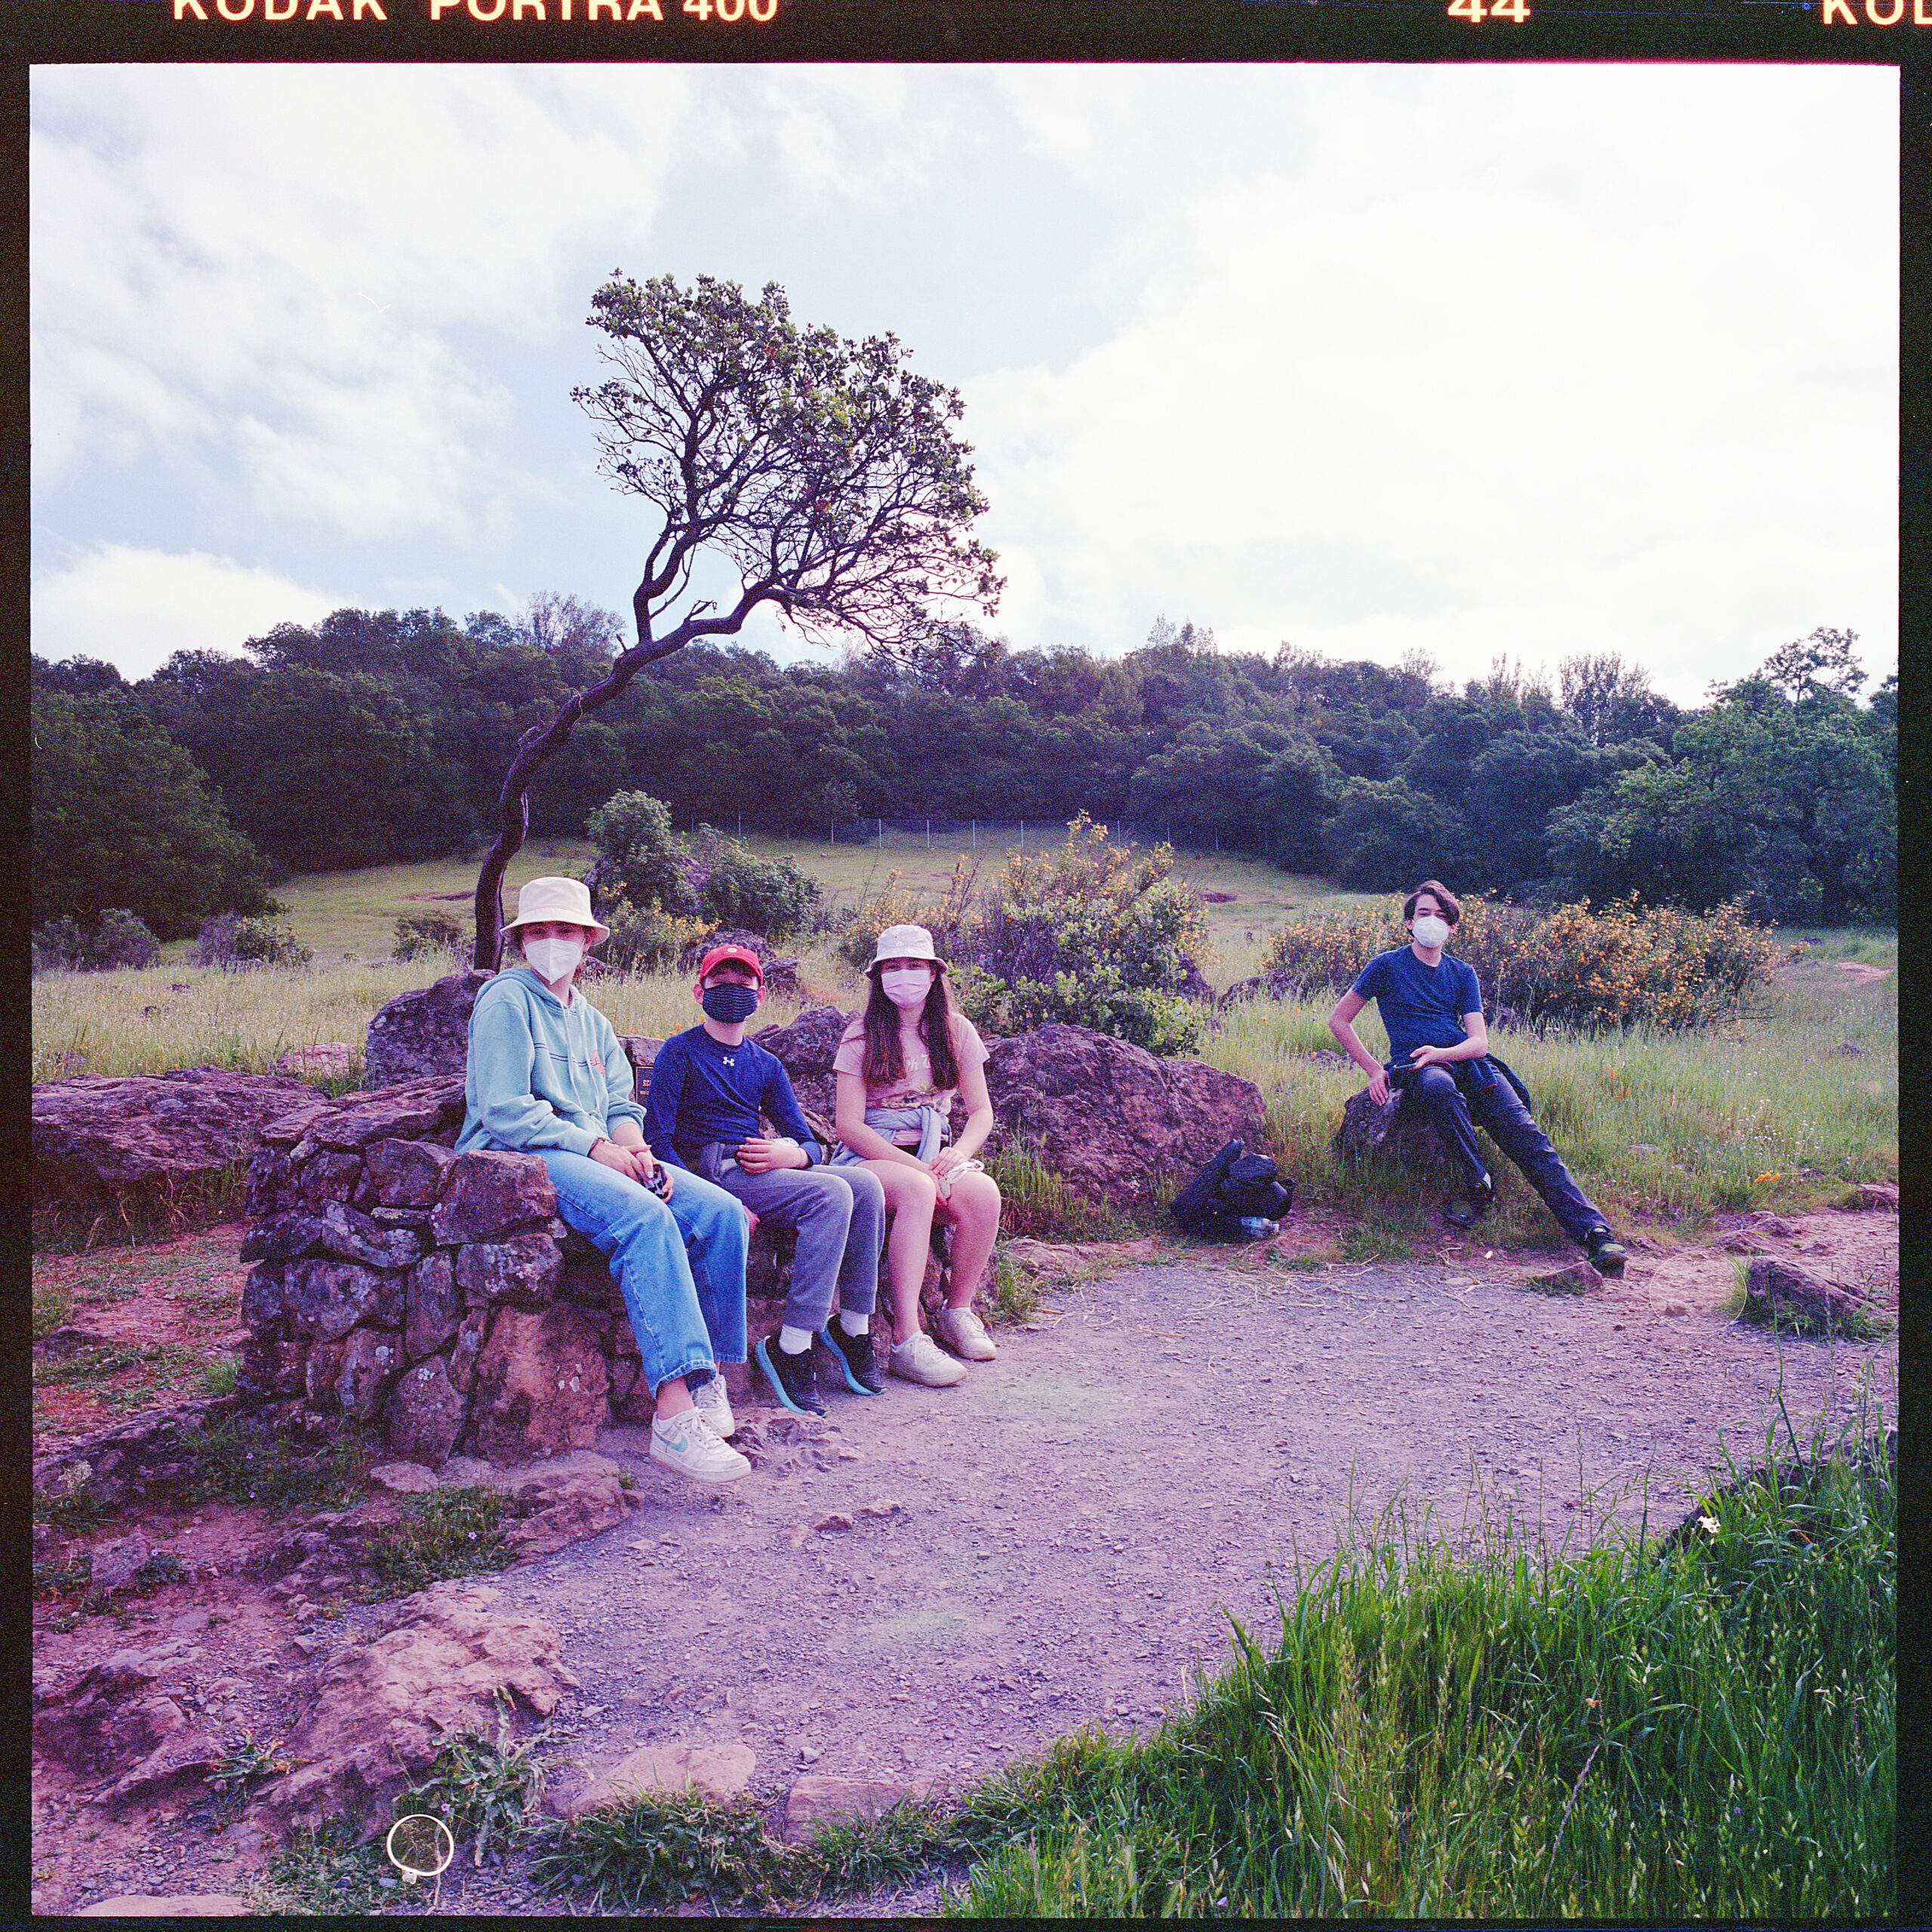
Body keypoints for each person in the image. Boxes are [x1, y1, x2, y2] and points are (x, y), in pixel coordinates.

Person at [457, 875, 754, 1484]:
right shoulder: (505, 999)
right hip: (528, 1152)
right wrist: (593, 1146)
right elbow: (505, 1107)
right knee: (645, 1218)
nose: (552, 942)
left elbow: (620, 1103)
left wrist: (635, 1150)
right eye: (539, 932)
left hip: (595, 1149)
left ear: (588, 941)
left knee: (719, 1213)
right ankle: (672, 1419)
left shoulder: (590, 1019)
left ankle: (710, 1381)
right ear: (520, 942)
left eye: (566, 931)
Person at [1327, 879, 1629, 1276]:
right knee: (1438, 1085)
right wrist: (1373, 1069)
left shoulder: (1462, 973)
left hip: (1465, 1061)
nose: (1431, 921)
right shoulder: (1386, 966)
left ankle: (1594, 1233)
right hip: (1417, 1065)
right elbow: (1339, 1020)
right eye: (1423, 913)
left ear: (1452, 927)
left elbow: (1479, 1043)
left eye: (1441, 915)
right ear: (1408, 923)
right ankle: (1478, 1181)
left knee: (1528, 1137)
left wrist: (1444, 1053)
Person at [641, 943, 888, 1418]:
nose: (732, 992)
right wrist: (712, 1201)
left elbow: (810, 1141)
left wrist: (791, 1153)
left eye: (744, 984)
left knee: (867, 1188)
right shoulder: (680, 1052)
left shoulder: (765, 1064)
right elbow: (660, 1139)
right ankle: (792, 1345)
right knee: (833, 1193)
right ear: (699, 990)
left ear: (760, 993)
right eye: (720, 983)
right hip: (712, 1174)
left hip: (762, 1170)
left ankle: (854, 1326)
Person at [831, 924, 1004, 1386]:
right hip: (874, 1159)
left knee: (982, 1193)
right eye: (892, 968)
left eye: (913, 966)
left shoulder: (956, 1031)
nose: (902, 976)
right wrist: (924, 1170)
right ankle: (908, 1338)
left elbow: (981, 1112)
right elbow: (848, 1125)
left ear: (933, 974)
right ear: (879, 978)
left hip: (934, 1150)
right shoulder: (861, 1035)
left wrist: (958, 1156)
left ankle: (957, 1310)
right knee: (917, 1188)